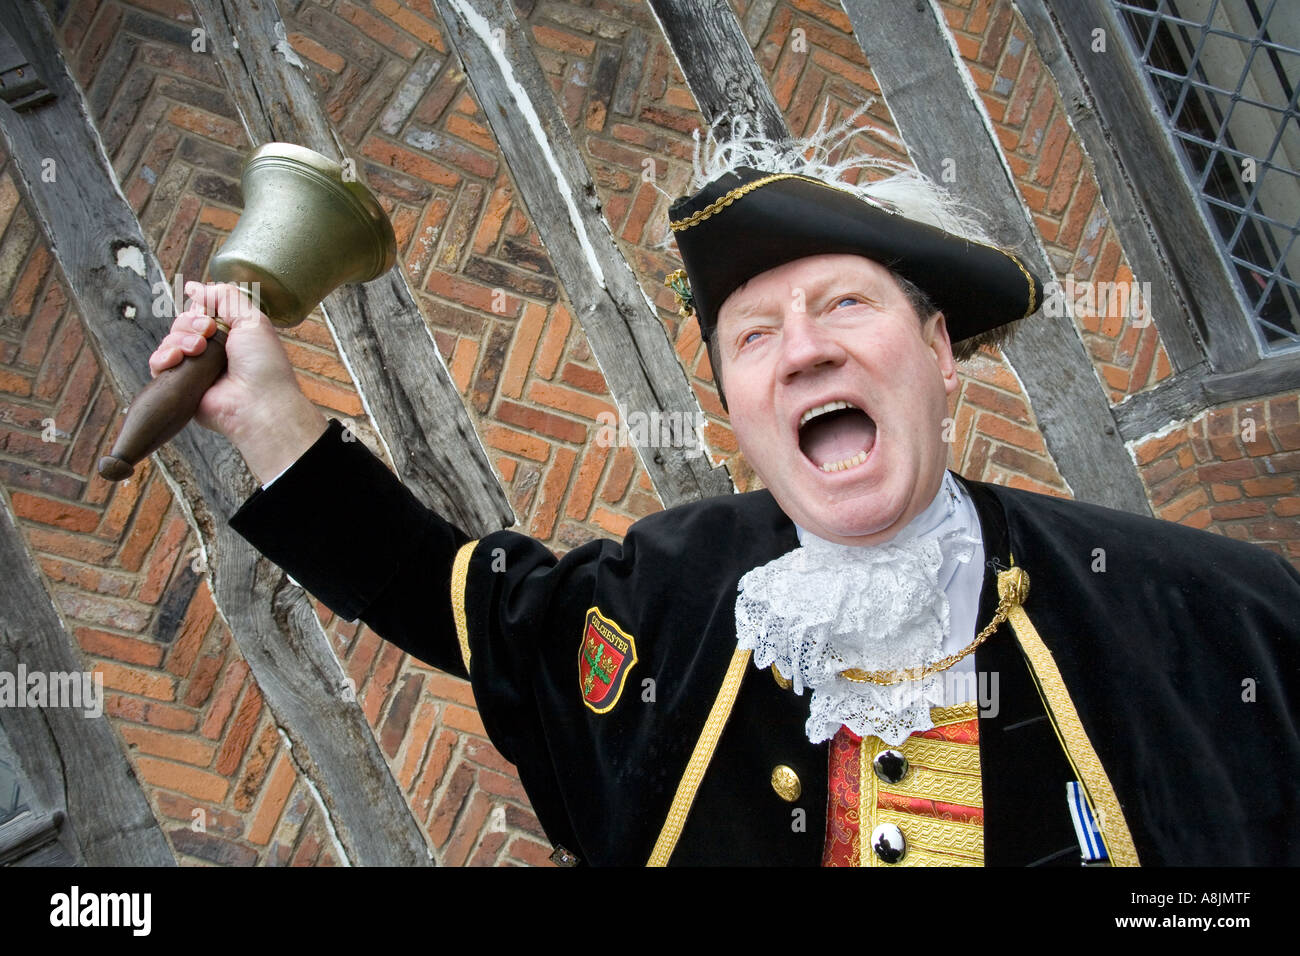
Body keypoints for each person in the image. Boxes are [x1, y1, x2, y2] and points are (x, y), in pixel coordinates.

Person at [149, 128, 1299, 867]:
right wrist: (262, 412)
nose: (801, 353)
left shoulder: (1213, 611)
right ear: (736, 406)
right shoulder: (675, 600)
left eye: (845, 306)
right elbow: (450, 597)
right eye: (755, 335)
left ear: (940, 351)